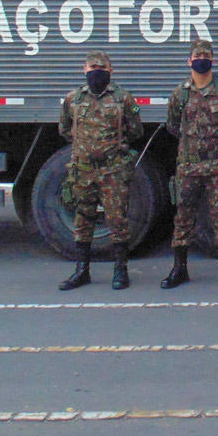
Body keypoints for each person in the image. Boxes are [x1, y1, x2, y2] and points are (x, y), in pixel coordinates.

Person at [161, 39, 218, 288]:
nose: (202, 60)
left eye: (206, 56)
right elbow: (173, 125)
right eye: (197, 56)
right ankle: (179, 268)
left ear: (213, 60)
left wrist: (216, 143)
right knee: (183, 217)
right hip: (188, 167)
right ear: (189, 61)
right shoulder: (180, 93)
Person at [57, 51, 143, 292]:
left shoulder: (123, 99)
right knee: (83, 220)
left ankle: (120, 270)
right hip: (83, 171)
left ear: (111, 71)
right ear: (84, 69)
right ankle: (82, 270)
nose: (98, 71)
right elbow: (65, 130)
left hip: (112, 171)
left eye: (102, 67)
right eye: (93, 66)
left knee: (117, 220)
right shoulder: (73, 99)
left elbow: (135, 131)